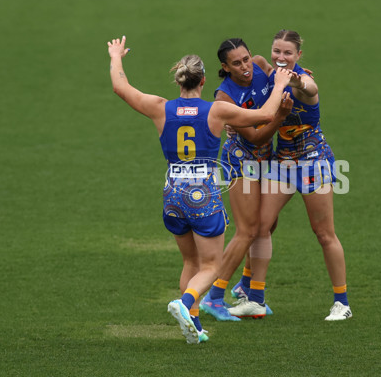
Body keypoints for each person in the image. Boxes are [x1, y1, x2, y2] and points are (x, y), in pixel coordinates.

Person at [107, 36, 293, 343]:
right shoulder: (216, 111)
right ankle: (186, 302)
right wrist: (278, 85)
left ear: (179, 81)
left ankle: (192, 325)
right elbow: (265, 116)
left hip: (172, 195)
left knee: (190, 262)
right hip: (202, 195)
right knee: (211, 265)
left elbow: (120, 88)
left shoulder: (160, 108)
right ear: (204, 81)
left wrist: (116, 56)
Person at [227, 29, 352, 321]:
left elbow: (309, 87)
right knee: (260, 226)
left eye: (288, 53)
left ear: (298, 55)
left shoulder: (301, 80)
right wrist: (236, 117)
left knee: (323, 233)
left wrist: (297, 79)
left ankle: (341, 303)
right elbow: (256, 65)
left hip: (313, 163)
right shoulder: (270, 73)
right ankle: (255, 297)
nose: (281, 57)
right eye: (277, 51)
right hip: (281, 163)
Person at [199, 38, 290, 321]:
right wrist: (280, 116)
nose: (245, 67)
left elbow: (288, 74)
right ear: (225, 67)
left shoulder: (262, 65)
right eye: (236, 63)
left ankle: (246, 285)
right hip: (241, 162)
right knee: (247, 231)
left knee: (267, 224)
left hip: (267, 159)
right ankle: (214, 296)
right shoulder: (224, 97)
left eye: (246, 59)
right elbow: (255, 135)